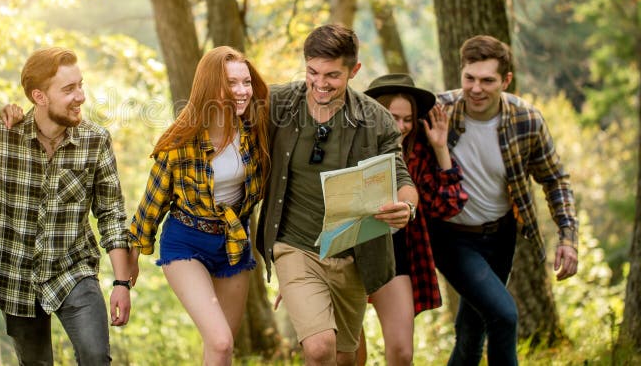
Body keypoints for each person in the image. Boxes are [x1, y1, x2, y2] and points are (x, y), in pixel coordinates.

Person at [256, 24, 417, 366]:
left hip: (353, 254)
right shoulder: (280, 103)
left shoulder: (376, 120)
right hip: (294, 246)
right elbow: (231, 114)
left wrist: (406, 207)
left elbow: (400, 175)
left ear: (354, 70)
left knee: (346, 358)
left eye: (332, 75)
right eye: (312, 72)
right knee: (318, 349)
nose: (320, 83)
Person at [429, 35, 578, 365]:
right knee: (504, 316)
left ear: (506, 80)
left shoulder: (526, 120)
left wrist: (568, 238)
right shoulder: (439, 113)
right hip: (451, 237)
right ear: (461, 74)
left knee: (472, 330)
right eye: (469, 78)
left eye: (487, 80)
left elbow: (554, 179)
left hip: (500, 237)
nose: (476, 88)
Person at [0, 47, 132, 365]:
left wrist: (121, 283)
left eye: (80, 85)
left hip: (73, 268)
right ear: (39, 96)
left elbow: (111, 213)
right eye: (69, 89)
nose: (80, 96)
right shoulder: (1, 136)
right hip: (15, 277)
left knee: (95, 357)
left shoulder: (95, 140)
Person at [128, 46, 269, 365]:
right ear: (210, 85)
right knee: (219, 342)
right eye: (231, 83)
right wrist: (126, 273)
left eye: (246, 82)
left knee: (221, 349)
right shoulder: (182, 140)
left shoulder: (255, 131)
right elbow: (152, 202)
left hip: (234, 243)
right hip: (186, 242)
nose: (242, 91)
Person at [357, 74, 469, 365]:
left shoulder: (417, 152)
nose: (401, 126)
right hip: (350, 251)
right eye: (393, 117)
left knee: (402, 352)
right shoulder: (351, 145)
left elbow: (448, 206)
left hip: (395, 255)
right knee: (349, 355)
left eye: (407, 119)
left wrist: (441, 148)